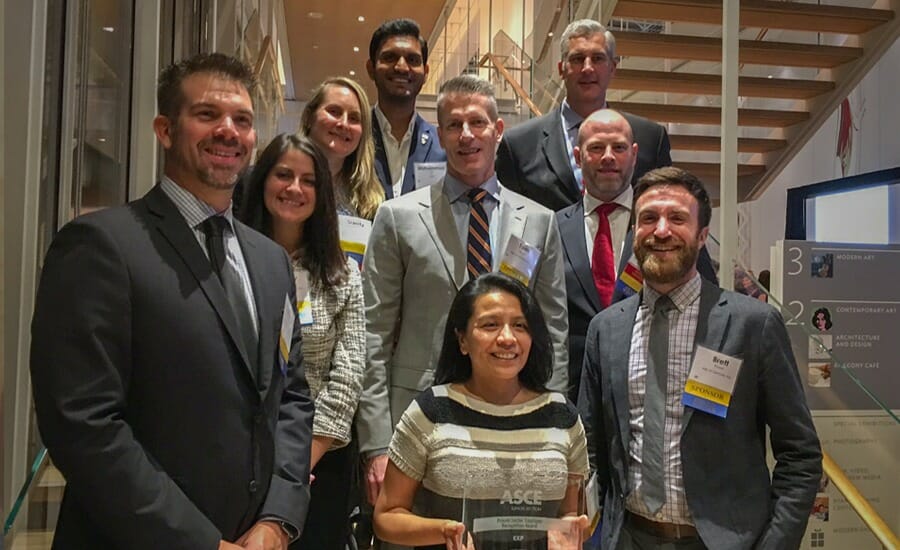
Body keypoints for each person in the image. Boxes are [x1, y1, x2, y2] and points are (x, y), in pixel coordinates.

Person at [29, 53, 313, 550]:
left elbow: (290, 395)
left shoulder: (270, 262)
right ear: (164, 129)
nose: (228, 131)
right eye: (207, 115)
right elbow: (84, 423)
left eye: (242, 120)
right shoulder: (101, 246)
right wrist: (200, 542)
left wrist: (277, 519)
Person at [358, 75, 570, 523]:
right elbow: (372, 336)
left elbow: (553, 332)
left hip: (515, 422)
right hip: (417, 421)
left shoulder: (539, 222)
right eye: (453, 125)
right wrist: (376, 444)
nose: (466, 135)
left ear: (498, 130)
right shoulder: (397, 219)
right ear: (440, 135)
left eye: (477, 122)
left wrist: (556, 427)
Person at [578, 166, 822, 549]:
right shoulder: (605, 330)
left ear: (703, 235)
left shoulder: (752, 325)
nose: (661, 231)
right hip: (626, 538)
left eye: (677, 218)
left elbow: (801, 456)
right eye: (648, 218)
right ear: (634, 233)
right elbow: (591, 449)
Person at [373, 272, 589, 549]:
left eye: (520, 325)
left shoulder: (563, 418)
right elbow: (386, 516)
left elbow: (570, 514)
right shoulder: (431, 412)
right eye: (490, 325)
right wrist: (444, 531)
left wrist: (571, 533)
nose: (507, 338)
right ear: (462, 340)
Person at [238, 134, 365, 549]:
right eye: (283, 175)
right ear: (262, 181)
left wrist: (295, 465)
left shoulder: (343, 275)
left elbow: (346, 379)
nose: (295, 189)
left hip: (318, 463)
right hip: (236, 459)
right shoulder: (229, 261)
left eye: (308, 181)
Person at [558, 109, 717, 401]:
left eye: (618, 147)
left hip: (656, 386)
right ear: (578, 156)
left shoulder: (667, 230)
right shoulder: (551, 228)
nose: (608, 156)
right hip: (572, 394)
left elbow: (706, 301)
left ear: (634, 155)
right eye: (596, 148)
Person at [496, 19, 671, 212]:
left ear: (612, 68)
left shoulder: (651, 140)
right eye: (578, 59)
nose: (588, 68)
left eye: (598, 58)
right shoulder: (518, 146)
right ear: (561, 68)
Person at [367, 18, 446, 198]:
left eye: (412, 59)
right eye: (389, 57)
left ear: (426, 72)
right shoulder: (353, 139)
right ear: (371, 68)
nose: (401, 67)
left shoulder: (443, 145)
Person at [300, 76, 383, 220]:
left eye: (354, 118)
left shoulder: (369, 201)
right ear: (309, 117)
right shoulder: (280, 181)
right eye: (334, 111)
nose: (344, 124)